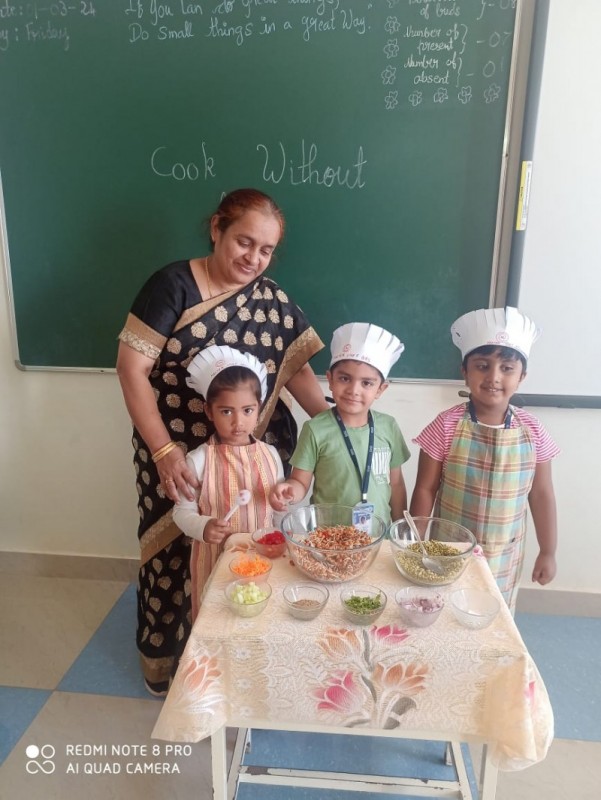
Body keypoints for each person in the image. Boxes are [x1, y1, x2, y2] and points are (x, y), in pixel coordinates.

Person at [116, 188, 327, 695]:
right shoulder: (172, 286)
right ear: (217, 229)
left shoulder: (271, 299)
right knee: (175, 550)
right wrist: (164, 452)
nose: (253, 258)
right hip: (174, 452)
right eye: (244, 242)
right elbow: (131, 368)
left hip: (257, 453)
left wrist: (334, 428)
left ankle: (250, 657)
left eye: (266, 249)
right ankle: (170, 664)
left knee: (258, 551)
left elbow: (296, 369)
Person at [410, 307, 559, 612]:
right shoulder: (445, 425)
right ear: (465, 371)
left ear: (522, 376)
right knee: (445, 608)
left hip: (504, 554)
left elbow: (542, 493)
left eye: (507, 368)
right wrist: (414, 543)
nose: (494, 377)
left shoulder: (533, 430)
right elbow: (425, 488)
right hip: (448, 548)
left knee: (493, 614)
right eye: (482, 366)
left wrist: (548, 551)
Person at [172, 345, 284, 619]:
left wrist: (284, 508)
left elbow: (280, 511)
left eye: (247, 410)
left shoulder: (270, 454)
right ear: (209, 411)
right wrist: (203, 526)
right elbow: (181, 512)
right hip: (214, 559)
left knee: (261, 614)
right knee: (218, 618)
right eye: (226, 412)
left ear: (259, 408)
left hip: (263, 559)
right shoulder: (199, 459)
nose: (238, 422)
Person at [270, 322, 410, 526]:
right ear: (330, 380)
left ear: (380, 389)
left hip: (379, 535)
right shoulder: (315, 429)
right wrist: (290, 490)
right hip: (327, 535)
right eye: (344, 378)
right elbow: (300, 481)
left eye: (366, 383)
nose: (354, 390)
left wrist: (401, 528)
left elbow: (396, 484)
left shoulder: (389, 426)